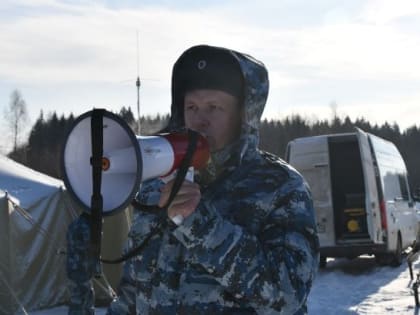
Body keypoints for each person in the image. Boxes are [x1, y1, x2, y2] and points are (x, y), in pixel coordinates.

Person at [67, 44, 319, 315]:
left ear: (243, 117)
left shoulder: (280, 188)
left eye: (214, 107)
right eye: (192, 107)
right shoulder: (155, 188)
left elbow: (288, 295)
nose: (200, 120)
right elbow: (134, 293)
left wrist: (202, 226)